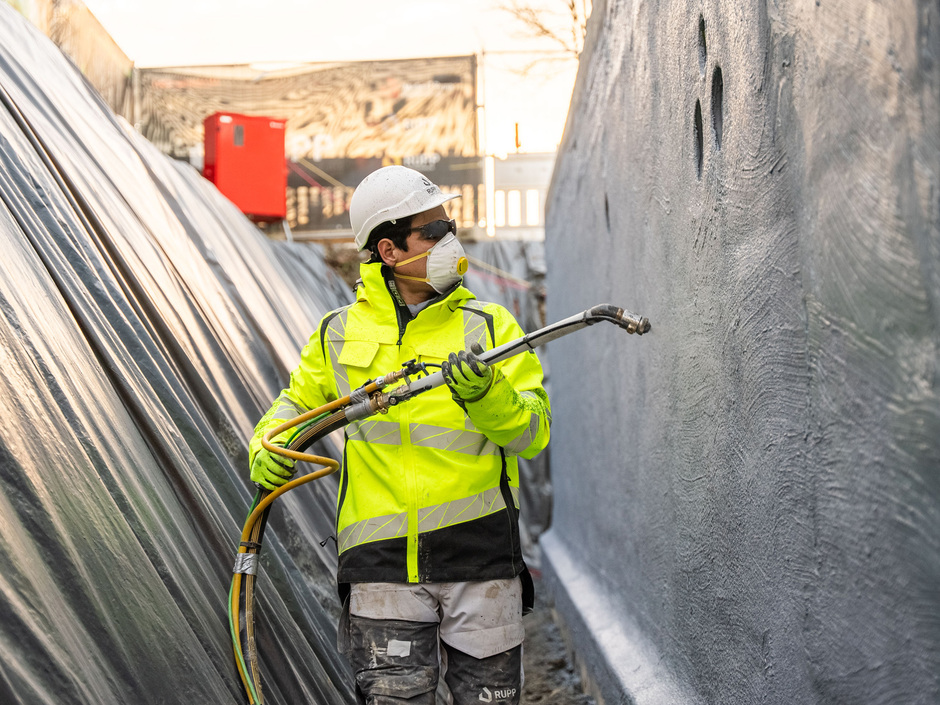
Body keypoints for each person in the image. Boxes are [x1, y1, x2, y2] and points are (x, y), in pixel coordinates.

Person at [248, 165, 551, 704]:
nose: (450, 241)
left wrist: (488, 397)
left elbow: (533, 432)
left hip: (480, 560)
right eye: (433, 233)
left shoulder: (491, 326)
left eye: (449, 226)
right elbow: (297, 405)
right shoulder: (338, 334)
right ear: (389, 250)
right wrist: (268, 440)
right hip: (381, 568)